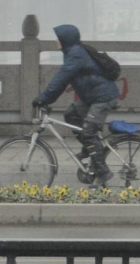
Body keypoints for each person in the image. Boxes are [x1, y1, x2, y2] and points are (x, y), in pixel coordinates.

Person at [32, 24, 120, 186]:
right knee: (71, 115)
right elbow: (62, 82)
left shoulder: (75, 54)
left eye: (59, 38)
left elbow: (60, 79)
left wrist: (43, 99)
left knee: (88, 132)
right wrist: (48, 98)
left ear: (66, 39)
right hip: (93, 97)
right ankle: (90, 149)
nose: (56, 41)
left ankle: (103, 172)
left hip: (103, 97)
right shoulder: (73, 52)